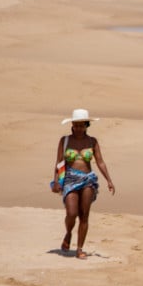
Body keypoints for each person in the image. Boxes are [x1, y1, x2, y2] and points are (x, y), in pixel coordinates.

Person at [51, 109, 115, 259]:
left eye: (82, 125)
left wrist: (109, 180)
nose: (78, 128)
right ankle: (68, 233)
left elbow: (100, 162)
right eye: (76, 125)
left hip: (88, 179)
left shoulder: (92, 141)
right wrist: (55, 181)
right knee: (71, 213)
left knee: (84, 215)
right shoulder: (64, 140)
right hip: (69, 179)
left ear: (87, 125)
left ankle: (79, 249)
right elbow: (59, 162)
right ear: (72, 124)